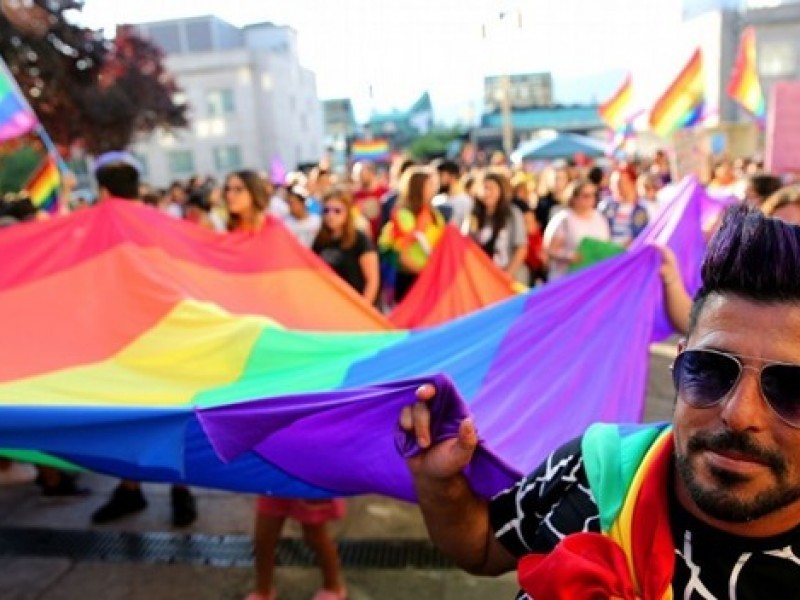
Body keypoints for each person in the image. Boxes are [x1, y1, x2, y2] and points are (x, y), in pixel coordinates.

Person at [400, 205, 800, 598]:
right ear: (679, 364)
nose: (738, 413)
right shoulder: (596, 467)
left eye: (791, 389)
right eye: (711, 371)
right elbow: (484, 548)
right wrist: (440, 481)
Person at [91, 154, 197, 527]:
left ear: (104, 191)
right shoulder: (164, 222)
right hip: (165, 333)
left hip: (133, 339)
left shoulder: (107, 227)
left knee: (132, 415)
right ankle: (165, 492)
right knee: (165, 414)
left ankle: (144, 489)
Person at [378, 166, 445, 303]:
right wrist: (426, 273)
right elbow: (402, 255)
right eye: (430, 184)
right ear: (418, 187)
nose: (435, 188)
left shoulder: (435, 214)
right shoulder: (404, 215)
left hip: (432, 279)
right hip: (411, 279)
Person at [312, 188, 380, 306]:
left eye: (337, 211)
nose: (331, 215)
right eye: (326, 210)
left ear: (347, 212)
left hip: (355, 306)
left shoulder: (360, 239)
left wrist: (364, 307)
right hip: (329, 305)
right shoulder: (320, 240)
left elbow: (373, 280)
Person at [543, 179, 610, 281]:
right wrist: (569, 256)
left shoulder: (599, 217)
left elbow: (606, 243)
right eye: (586, 196)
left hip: (593, 277)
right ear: (574, 197)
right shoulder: (564, 218)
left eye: (593, 195)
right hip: (566, 277)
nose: (591, 199)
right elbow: (550, 249)